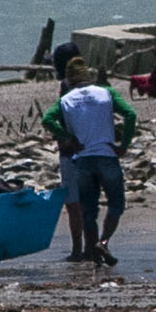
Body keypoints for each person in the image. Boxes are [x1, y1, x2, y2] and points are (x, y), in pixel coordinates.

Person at [46, 54, 140, 264]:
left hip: (83, 160)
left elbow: (47, 119)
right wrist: (123, 144)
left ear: (69, 81)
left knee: (89, 208)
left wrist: (68, 139)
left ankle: (94, 252)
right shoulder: (106, 93)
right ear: (88, 76)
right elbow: (130, 114)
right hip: (107, 156)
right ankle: (103, 242)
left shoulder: (65, 100)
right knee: (116, 203)